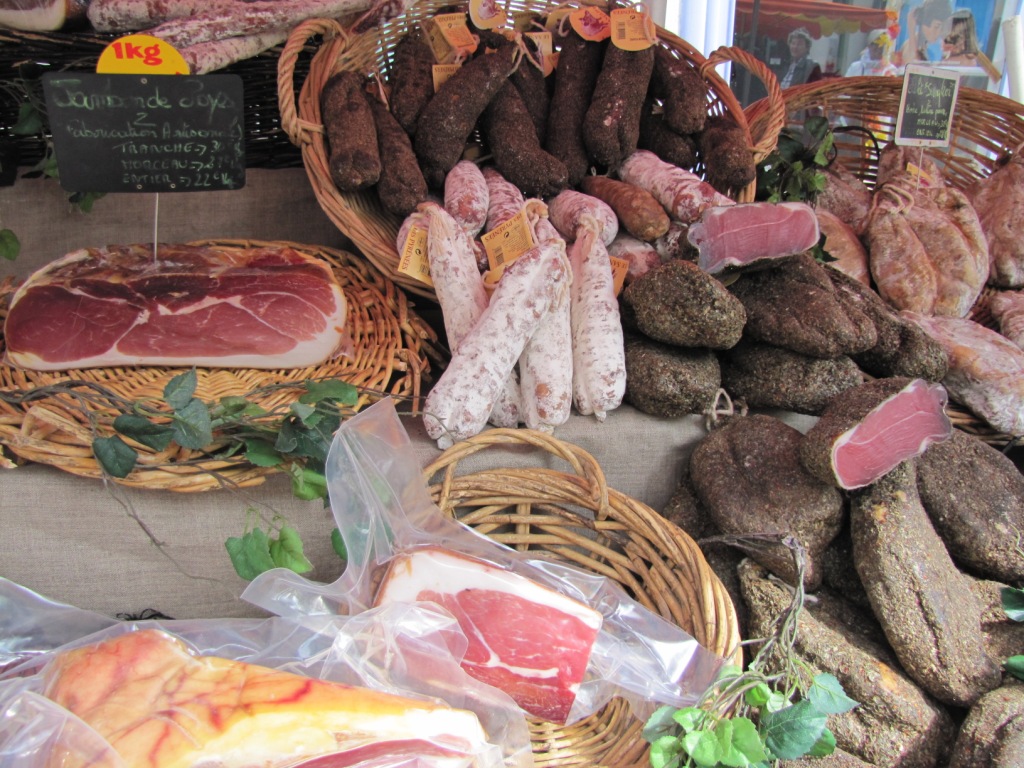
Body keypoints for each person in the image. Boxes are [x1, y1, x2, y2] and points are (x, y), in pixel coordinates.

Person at [897, 0, 953, 65]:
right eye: (936, 27)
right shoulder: (910, 46)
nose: (938, 33)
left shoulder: (926, 50)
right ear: (925, 23)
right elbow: (912, 65)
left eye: (942, 28)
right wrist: (911, 30)